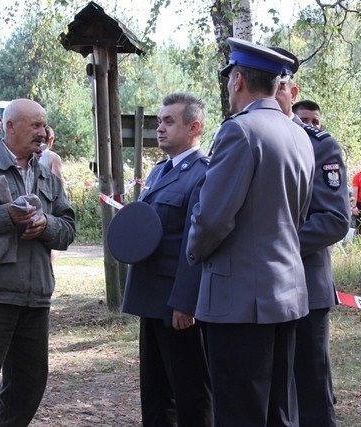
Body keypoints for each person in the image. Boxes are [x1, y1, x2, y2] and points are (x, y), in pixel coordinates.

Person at [186, 38, 314, 426]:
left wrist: (194, 252)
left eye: (229, 81)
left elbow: (212, 219)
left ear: (238, 79)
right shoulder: (299, 135)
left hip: (239, 300)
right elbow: (299, 213)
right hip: (286, 293)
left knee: (240, 411)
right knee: (278, 411)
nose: (228, 89)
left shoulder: (239, 132)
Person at [0, 98, 76, 426]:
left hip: (36, 299)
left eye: (43, 125)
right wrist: (5, 216)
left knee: (28, 387)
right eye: (35, 125)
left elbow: (68, 229)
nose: (43, 132)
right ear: (9, 127)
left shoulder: (47, 174)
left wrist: (46, 225)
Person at [122, 92, 213, 426]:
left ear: (194, 127)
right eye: (159, 121)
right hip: (152, 300)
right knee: (156, 394)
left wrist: (185, 302)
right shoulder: (160, 171)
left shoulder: (203, 174)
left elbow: (197, 243)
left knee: (190, 395)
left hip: (178, 306)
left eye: (169, 121)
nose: (160, 128)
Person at [274, 46, 350, 427]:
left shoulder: (320, 145)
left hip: (306, 288)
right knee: (274, 396)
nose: (270, 96)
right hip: (260, 292)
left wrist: (272, 245)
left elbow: (335, 219)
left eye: (277, 87)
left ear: (291, 89)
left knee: (311, 393)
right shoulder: (245, 138)